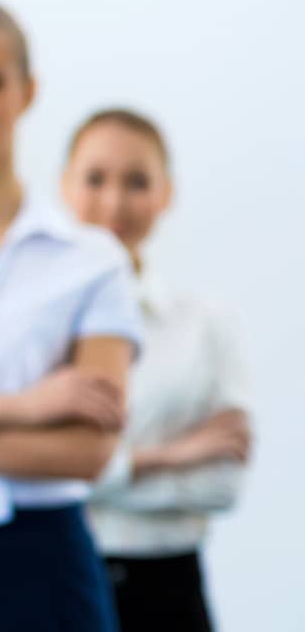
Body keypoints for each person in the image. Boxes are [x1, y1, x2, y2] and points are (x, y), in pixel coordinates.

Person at [0, 0, 142, 632]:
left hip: (42, 560)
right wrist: (27, 409)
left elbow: (87, 450)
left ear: (27, 91)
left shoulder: (92, 260)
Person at [66, 109, 251, 632]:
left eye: (138, 181)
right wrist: (178, 453)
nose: (115, 202)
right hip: (65, 574)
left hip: (170, 589)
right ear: (64, 186)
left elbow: (223, 483)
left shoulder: (205, 324)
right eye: (95, 179)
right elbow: (29, 471)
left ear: (166, 193)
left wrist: (96, 470)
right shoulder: (41, 326)